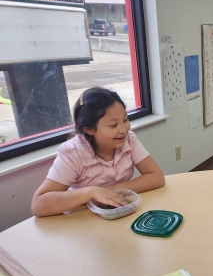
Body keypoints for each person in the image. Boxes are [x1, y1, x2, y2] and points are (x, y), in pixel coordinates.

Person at [32, 87, 165, 217]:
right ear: (89, 129)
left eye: (125, 120)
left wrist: (107, 192)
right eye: (113, 125)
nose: (124, 129)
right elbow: (38, 205)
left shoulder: (128, 140)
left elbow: (156, 177)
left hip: (121, 211)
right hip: (84, 219)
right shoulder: (73, 153)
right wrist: (92, 192)